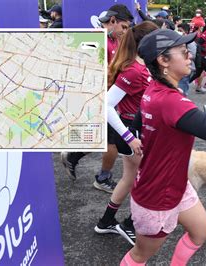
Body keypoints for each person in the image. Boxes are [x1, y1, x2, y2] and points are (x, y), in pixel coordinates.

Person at [119, 28, 206, 265]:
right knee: (139, 256)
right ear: (163, 60)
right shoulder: (172, 101)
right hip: (157, 196)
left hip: (175, 183)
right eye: (183, 52)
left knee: (202, 231)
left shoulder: (155, 89)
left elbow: (140, 118)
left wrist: (138, 138)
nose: (191, 55)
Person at [93, 21, 158, 246]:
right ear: (146, 43)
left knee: (129, 178)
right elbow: (107, 105)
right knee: (153, 181)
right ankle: (129, 224)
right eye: (158, 40)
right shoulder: (134, 69)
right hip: (133, 133)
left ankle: (106, 221)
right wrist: (130, 138)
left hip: (136, 133)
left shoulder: (144, 66)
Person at [60, 4, 134, 192]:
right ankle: (102, 178)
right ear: (112, 21)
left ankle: (73, 155)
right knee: (113, 142)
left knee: (105, 139)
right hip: (100, 98)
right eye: (124, 27)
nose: (125, 32)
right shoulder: (94, 39)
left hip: (108, 99)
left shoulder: (114, 40)